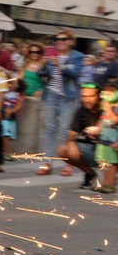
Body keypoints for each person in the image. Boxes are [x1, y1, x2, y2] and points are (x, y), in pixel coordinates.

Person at [37, 29, 84, 176]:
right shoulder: (52, 54)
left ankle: (68, 163)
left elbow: (76, 75)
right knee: (50, 129)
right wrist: (44, 66)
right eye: (57, 39)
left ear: (71, 41)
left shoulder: (78, 57)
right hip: (51, 94)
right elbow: (41, 75)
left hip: (69, 97)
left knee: (65, 130)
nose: (60, 42)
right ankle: (47, 162)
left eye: (64, 39)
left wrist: (60, 66)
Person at [55, 82, 102, 189]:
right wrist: (71, 143)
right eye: (84, 96)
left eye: (91, 96)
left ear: (99, 96)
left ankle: (110, 181)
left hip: (110, 150)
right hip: (93, 151)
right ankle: (89, 173)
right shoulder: (81, 111)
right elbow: (72, 133)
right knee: (63, 150)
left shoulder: (108, 110)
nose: (87, 100)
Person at [90, 81, 118, 193]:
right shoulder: (106, 104)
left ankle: (110, 184)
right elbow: (102, 119)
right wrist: (96, 129)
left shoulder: (115, 107)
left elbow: (115, 120)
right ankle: (106, 182)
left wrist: (108, 109)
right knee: (103, 161)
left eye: (111, 92)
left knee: (111, 163)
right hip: (104, 139)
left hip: (113, 139)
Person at [1, 79, 25, 161]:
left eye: (11, 84)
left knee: (10, 137)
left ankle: (3, 150)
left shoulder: (17, 95)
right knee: (6, 136)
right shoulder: (3, 94)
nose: (9, 85)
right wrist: (4, 111)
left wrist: (12, 111)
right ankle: (7, 153)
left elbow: (19, 105)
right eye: (8, 83)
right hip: (4, 118)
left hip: (12, 118)